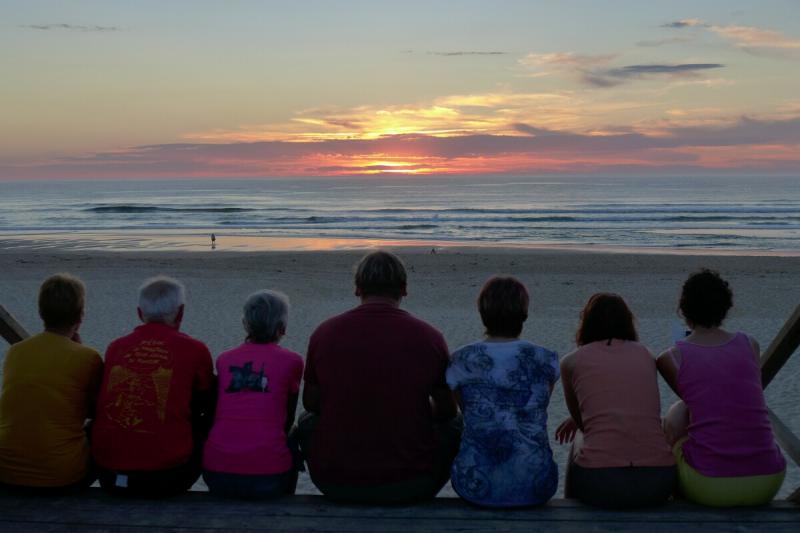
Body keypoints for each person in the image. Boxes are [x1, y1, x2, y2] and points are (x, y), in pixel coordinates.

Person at [299, 250, 460, 503]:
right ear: (404, 289)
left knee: (306, 421)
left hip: (335, 482)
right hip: (413, 484)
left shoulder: (325, 333)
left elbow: (311, 403)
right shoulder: (429, 337)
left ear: (357, 288)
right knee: (456, 424)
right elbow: (447, 410)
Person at [657, 269, 785, 507]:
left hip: (711, 485)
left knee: (677, 412)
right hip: (769, 479)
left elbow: (696, 401)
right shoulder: (750, 344)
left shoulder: (670, 358)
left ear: (684, 310)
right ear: (726, 307)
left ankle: (677, 500)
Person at [91, 276, 216, 497]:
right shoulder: (195, 349)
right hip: (167, 478)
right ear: (181, 313)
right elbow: (207, 400)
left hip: (109, 475)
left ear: (140, 313)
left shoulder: (115, 347)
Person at [447, 276, 559, 507]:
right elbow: (538, 407)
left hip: (474, 488)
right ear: (524, 314)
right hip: (537, 486)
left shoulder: (461, 359)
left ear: (482, 312)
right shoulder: (545, 359)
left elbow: (466, 411)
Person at [556, 293, 675, 508]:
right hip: (658, 482)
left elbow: (583, 423)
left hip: (601, 483)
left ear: (587, 323)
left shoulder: (571, 362)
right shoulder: (647, 355)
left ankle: (570, 506)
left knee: (580, 437)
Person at [0, 274, 103, 492]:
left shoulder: (16, 352)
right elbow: (96, 410)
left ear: (41, 312)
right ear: (81, 316)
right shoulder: (88, 357)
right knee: (102, 426)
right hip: (63, 477)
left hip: (6, 473)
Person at [202, 290, 304, 499]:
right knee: (295, 431)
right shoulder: (292, 361)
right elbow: (287, 419)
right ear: (282, 328)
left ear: (245, 324)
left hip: (217, 474)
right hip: (270, 478)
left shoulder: (224, 360)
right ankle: (286, 500)